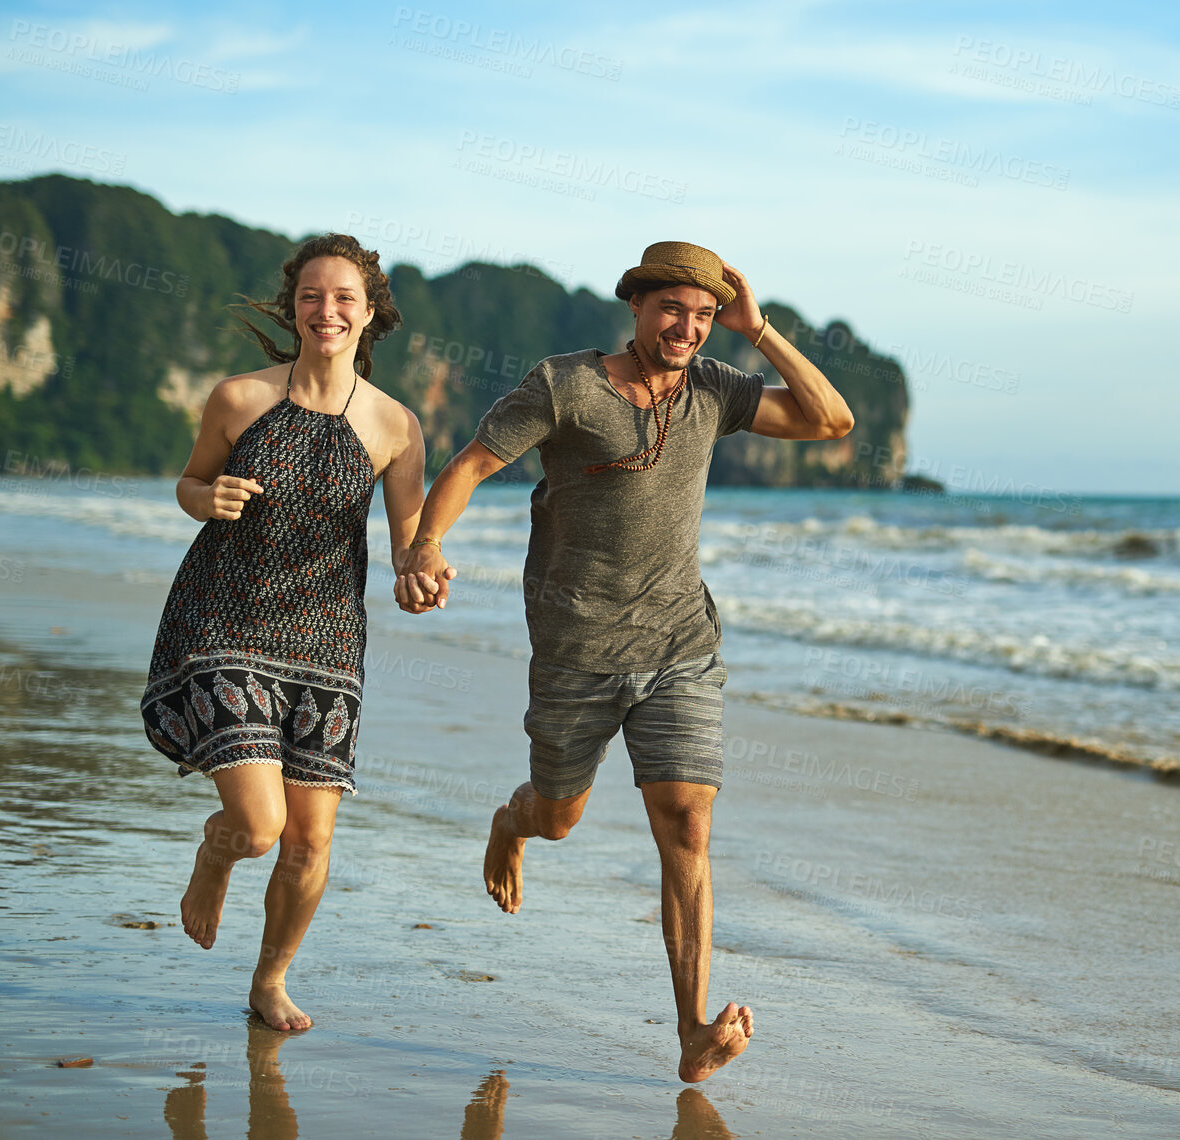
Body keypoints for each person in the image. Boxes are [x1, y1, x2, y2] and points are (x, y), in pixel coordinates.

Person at [395, 241, 854, 1081]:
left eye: (704, 315)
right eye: (672, 309)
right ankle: (513, 819)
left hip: (680, 645)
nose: (687, 327)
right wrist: (423, 546)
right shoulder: (564, 386)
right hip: (575, 650)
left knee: (685, 821)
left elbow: (830, 421)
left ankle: (690, 1030)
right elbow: (470, 465)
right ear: (636, 306)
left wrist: (760, 331)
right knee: (558, 816)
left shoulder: (716, 388)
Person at [140, 234, 427, 1031]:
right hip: (223, 619)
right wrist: (206, 498)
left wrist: (421, 568)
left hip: (327, 639)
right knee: (260, 829)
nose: (326, 310)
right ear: (291, 305)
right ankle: (216, 851)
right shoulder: (239, 399)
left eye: (344, 298)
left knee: (308, 842)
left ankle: (270, 980)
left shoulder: (395, 426)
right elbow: (189, 482)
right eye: (311, 295)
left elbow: (408, 541)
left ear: (370, 314)